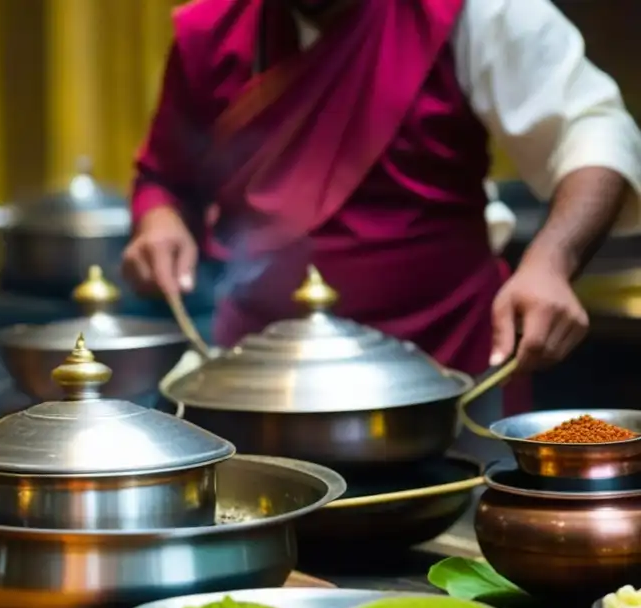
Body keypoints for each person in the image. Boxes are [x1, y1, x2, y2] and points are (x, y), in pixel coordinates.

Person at [123, 0, 641, 417]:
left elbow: (594, 130)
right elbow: (165, 176)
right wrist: (160, 219)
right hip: (257, 387)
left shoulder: (468, 11)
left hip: (447, 371)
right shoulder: (210, 28)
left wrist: (552, 262)